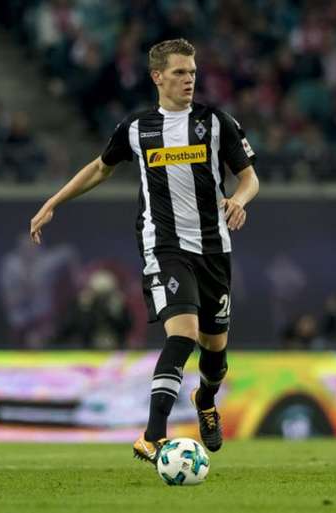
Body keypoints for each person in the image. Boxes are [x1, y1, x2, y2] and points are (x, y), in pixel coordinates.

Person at [29, 38, 259, 464]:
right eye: (179, 72)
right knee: (183, 334)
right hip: (164, 245)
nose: (189, 79)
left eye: (192, 72)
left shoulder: (216, 123)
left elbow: (248, 177)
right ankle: (153, 436)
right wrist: (53, 202)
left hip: (213, 249)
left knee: (215, 355)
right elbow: (100, 167)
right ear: (157, 76)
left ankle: (205, 400)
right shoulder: (137, 128)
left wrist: (239, 200)